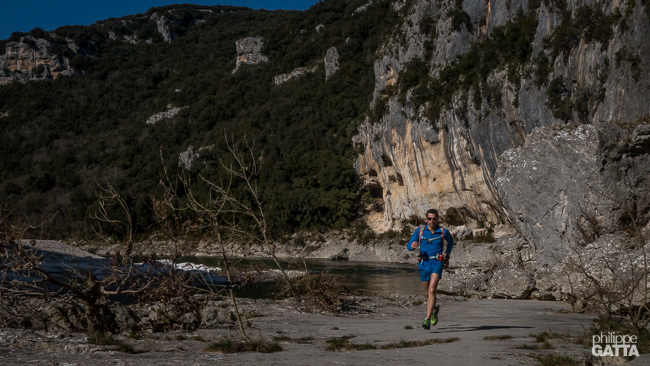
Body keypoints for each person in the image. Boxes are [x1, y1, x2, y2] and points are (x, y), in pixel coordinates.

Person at [407, 209, 454, 329]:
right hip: (423, 263)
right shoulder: (420, 230)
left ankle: (427, 319)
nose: (432, 221)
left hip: (437, 262)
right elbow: (409, 245)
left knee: (432, 290)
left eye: (434, 219)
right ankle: (433, 311)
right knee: (427, 293)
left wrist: (447, 257)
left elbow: (451, 242)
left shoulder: (443, 231)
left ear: (437, 219)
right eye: (429, 218)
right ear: (426, 219)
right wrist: (412, 246)